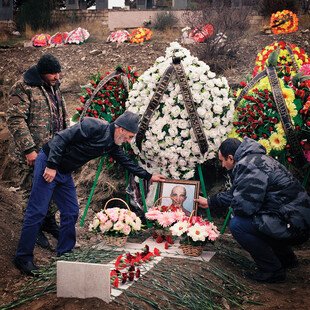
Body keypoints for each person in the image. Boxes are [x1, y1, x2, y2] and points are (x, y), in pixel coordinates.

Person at [13, 111, 166, 276]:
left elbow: (126, 162)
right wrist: (51, 165)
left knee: (71, 211)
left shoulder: (112, 144)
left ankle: (65, 253)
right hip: (49, 163)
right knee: (37, 211)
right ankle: (23, 258)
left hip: (65, 171)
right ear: (120, 129)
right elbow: (60, 138)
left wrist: (149, 176)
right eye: (129, 136)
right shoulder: (94, 126)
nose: (128, 141)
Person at [196, 137, 310, 283]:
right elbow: (237, 193)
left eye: (222, 160)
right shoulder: (255, 159)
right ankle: (286, 259)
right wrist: (211, 201)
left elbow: (246, 207)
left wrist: (233, 206)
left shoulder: (249, 165)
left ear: (230, 158)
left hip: (294, 224)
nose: (222, 165)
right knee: (258, 219)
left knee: (238, 225)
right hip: (295, 218)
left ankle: (272, 271)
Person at [7, 53, 68, 249]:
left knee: (49, 190)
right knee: (31, 191)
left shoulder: (54, 87)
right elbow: (15, 119)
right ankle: (33, 230)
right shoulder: (23, 87)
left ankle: (48, 221)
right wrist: (29, 149)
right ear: (42, 73)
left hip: (52, 152)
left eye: (58, 73)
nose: (57, 76)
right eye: (53, 73)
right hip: (31, 153)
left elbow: (61, 115)